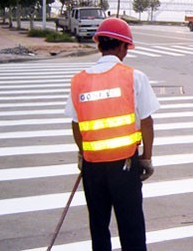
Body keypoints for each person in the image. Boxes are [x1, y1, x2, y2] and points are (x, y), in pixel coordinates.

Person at [64, 18, 160, 251]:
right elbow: (146, 122)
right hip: (124, 166)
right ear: (122, 46)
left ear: (99, 45)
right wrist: (146, 157)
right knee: (132, 228)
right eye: (127, 47)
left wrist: (83, 154)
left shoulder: (79, 80)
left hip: (92, 168)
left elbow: (76, 124)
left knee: (99, 227)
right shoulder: (133, 77)